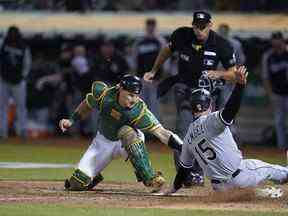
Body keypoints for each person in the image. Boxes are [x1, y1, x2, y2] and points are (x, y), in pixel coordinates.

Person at [143, 11, 238, 186]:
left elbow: (234, 74)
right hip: (184, 89)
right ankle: (186, 174)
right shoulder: (182, 35)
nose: (198, 31)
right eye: (196, 27)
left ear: (210, 25)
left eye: (202, 27)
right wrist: (154, 70)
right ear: (192, 25)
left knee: (206, 134)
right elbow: (166, 50)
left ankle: (207, 173)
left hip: (207, 96)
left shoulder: (222, 45)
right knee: (182, 130)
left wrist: (217, 74)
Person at [164, 66, 288, 194]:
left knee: (250, 190)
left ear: (192, 109)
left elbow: (184, 168)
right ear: (210, 104)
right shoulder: (211, 120)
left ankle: (263, 193)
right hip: (240, 176)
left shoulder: (188, 135)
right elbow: (230, 111)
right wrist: (240, 86)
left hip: (220, 188)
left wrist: (173, 189)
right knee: (273, 170)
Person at [59, 74, 183, 191]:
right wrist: (71, 120)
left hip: (126, 142)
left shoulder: (139, 110)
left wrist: (183, 148)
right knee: (77, 183)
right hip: (103, 142)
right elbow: (87, 103)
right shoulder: (104, 95)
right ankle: (92, 176)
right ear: (120, 88)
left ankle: (149, 176)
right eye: (130, 95)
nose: (134, 99)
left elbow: (162, 133)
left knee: (127, 131)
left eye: (136, 95)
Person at [0, 25, 32, 139]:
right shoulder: (2, 44)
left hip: (18, 81)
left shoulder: (23, 47)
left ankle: (23, 131)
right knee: (2, 107)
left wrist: (22, 77)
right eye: (11, 33)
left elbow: (27, 64)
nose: (12, 35)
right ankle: (2, 132)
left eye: (14, 33)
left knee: (21, 107)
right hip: (3, 80)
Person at [133, 18, 167, 119]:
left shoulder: (160, 41)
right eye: (149, 25)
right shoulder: (140, 41)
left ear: (155, 27)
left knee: (154, 105)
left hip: (155, 79)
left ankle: (155, 130)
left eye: (152, 25)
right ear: (146, 27)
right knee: (141, 104)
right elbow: (135, 59)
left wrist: (161, 77)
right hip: (141, 78)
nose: (151, 28)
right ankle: (141, 129)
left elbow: (165, 61)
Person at [262, 31, 288, 151]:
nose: (276, 42)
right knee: (279, 121)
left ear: (283, 40)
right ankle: (282, 147)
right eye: (274, 39)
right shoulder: (269, 56)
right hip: (277, 93)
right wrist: (270, 94)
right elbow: (266, 77)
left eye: (279, 39)